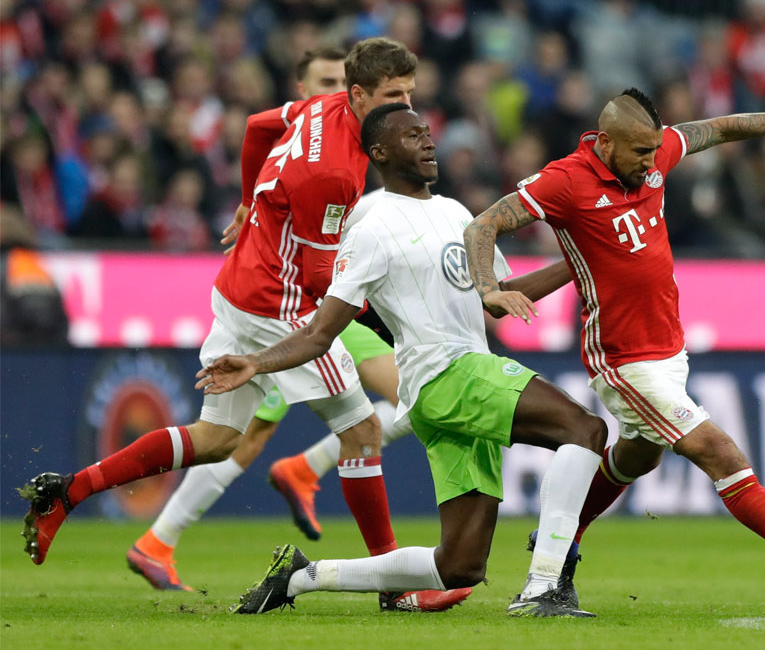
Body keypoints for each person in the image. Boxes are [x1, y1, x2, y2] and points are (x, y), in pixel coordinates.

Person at [19, 37, 470, 613]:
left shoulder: (319, 107)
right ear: (358, 95)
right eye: (392, 96)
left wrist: (245, 201)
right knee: (361, 431)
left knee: (217, 439)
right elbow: (319, 276)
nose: (405, 106)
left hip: (240, 284)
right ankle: (395, 584)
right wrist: (386, 305)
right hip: (277, 301)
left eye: (409, 94)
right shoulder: (333, 172)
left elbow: (257, 127)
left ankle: (68, 491)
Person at [463, 88, 765, 607]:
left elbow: (724, 127)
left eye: (654, 151)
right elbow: (483, 224)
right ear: (605, 142)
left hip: (669, 349)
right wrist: (489, 288)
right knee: (719, 452)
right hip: (623, 359)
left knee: (636, 457)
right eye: (640, 152)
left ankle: (563, 539)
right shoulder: (565, 180)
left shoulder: (655, 151)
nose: (652, 163)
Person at [197, 103, 608, 618]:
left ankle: (301, 576)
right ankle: (544, 587)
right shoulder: (371, 228)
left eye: (428, 133)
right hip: (446, 375)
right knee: (585, 430)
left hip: (456, 382)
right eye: (413, 136)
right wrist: (257, 362)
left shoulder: (457, 213)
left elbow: (497, 295)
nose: (429, 142)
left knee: (460, 566)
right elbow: (322, 332)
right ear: (381, 152)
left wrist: (576, 262)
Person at [126, 45, 409, 595]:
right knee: (250, 434)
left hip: (322, 301)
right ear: (306, 89)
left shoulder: (354, 147)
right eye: (325, 82)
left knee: (259, 431)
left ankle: (167, 535)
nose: (334, 91)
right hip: (300, 304)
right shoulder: (317, 144)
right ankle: (166, 535)